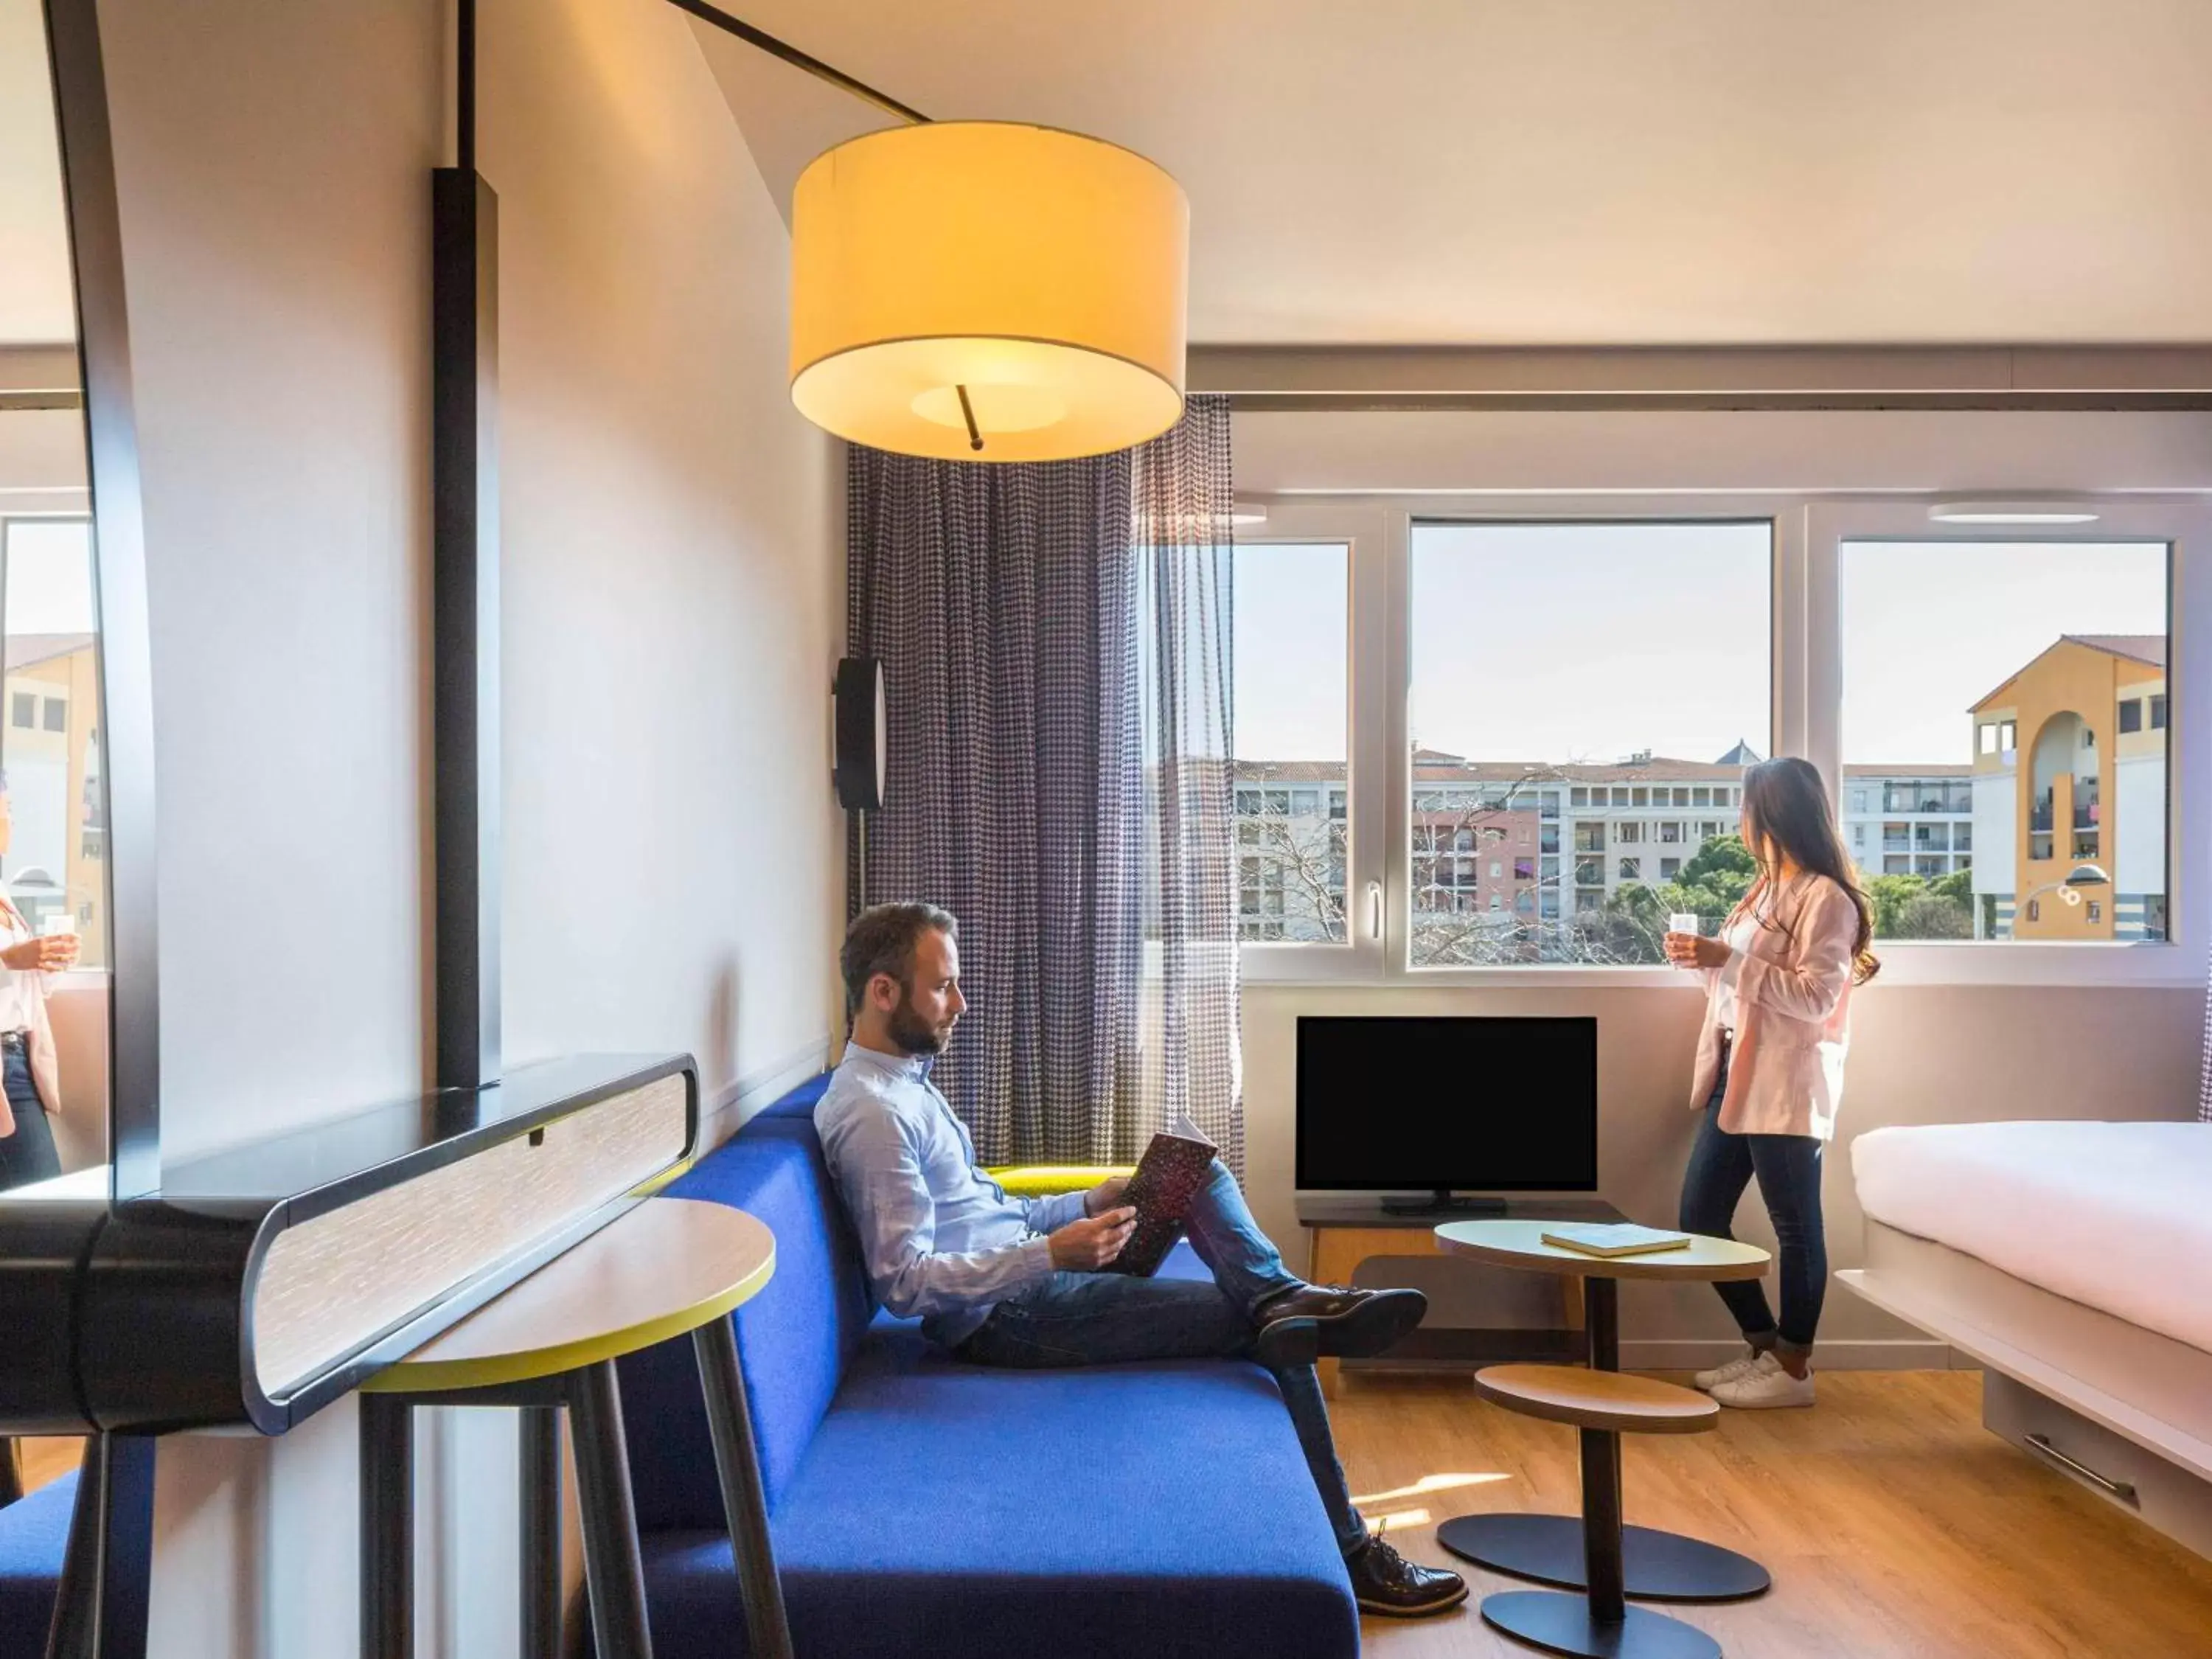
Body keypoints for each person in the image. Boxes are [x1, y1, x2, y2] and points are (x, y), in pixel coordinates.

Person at [816, 901, 1469, 1618]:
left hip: (1035, 1275)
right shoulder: (872, 1114)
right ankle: (1350, 1551)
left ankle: (1283, 1296)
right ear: (883, 992)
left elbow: (990, 1216)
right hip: (1006, 1318)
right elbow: (904, 1285)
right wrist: (1049, 1254)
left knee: (1197, 1174)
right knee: (1275, 1331)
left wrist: (1085, 1207)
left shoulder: (908, 1082)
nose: (961, 1004)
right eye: (944, 986)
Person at [1663, 757, 1878, 1410]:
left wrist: (1728, 959)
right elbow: (1740, 982)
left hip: (1786, 1077)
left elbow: (1815, 998)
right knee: (1700, 1218)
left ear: (1774, 814)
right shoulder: (1761, 889)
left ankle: (1794, 1368)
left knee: (1795, 1226)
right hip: (1738, 1068)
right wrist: (1703, 961)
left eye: (1747, 806)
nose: (1740, 819)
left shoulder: (1826, 898)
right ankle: (1765, 1346)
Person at [0, 774, 79, 1193]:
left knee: (36, 1196)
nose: (10, 819)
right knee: (41, 1196)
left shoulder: (3, 893)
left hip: (17, 1058)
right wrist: (11, 960)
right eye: (7, 808)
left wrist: (47, 961)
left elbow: (24, 987)